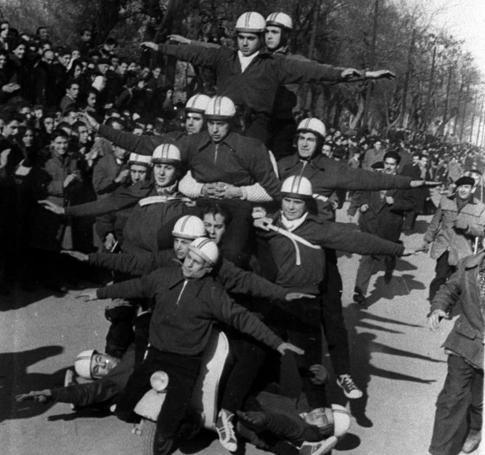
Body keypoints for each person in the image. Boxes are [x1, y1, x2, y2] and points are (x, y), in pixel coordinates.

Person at [79, 238, 303, 455]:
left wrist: (277, 342)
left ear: (207, 269)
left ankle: (192, 426)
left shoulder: (212, 292)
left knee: (170, 420)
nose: (188, 264)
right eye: (189, 257)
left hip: (185, 363)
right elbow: (136, 286)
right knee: (123, 407)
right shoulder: (164, 276)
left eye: (197, 262)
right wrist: (99, 294)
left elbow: (242, 318)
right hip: (157, 353)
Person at [253, 175, 412, 416]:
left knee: (310, 360)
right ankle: (268, 402)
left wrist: (398, 249)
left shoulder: (318, 229)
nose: (291, 206)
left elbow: (358, 240)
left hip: (306, 302)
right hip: (275, 299)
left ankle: (317, 408)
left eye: (297, 201)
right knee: (265, 352)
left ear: (307, 203)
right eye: (287, 200)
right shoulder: (267, 225)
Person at [142, 11, 395, 143]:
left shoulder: (276, 64)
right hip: (225, 118)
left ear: (262, 38)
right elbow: (200, 53)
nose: (244, 43)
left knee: (259, 158)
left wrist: (354, 74)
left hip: (262, 122)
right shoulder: (226, 56)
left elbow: (316, 71)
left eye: (251, 38)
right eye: (241, 37)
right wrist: (163, 47)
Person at [427, 251, 483, 455]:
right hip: (465, 341)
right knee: (452, 398)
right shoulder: (469, 266)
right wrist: (438, 307)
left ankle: (475, 429)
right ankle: (438, 451)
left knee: (477, 398)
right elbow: (449, 288)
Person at [350, 152, 416, 305]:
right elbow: (364, 195)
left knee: (388, 253)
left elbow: (412, 204)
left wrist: (395, 202)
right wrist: (362, 206)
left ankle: (390, 265)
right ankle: (359, 291)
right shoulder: (374, 179)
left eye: (392, 164)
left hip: (390, 227)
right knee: (367, 257)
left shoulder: (404, 183)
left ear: (397, 166)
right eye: (386, 163)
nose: (388, 166)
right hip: (371, 224)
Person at [422, 176, 485, 301]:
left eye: (466, 187)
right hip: (443, 246)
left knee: (454, 279)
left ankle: (446, 303)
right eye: (460, 187)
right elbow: (435, 222)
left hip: (462, 250)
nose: (463, 190)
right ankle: (435, 302)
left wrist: (467, 227)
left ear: (472, 190)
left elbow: (481, 231)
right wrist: (427, 239)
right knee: (440, 275)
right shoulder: (446, 201)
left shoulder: (479, 207)